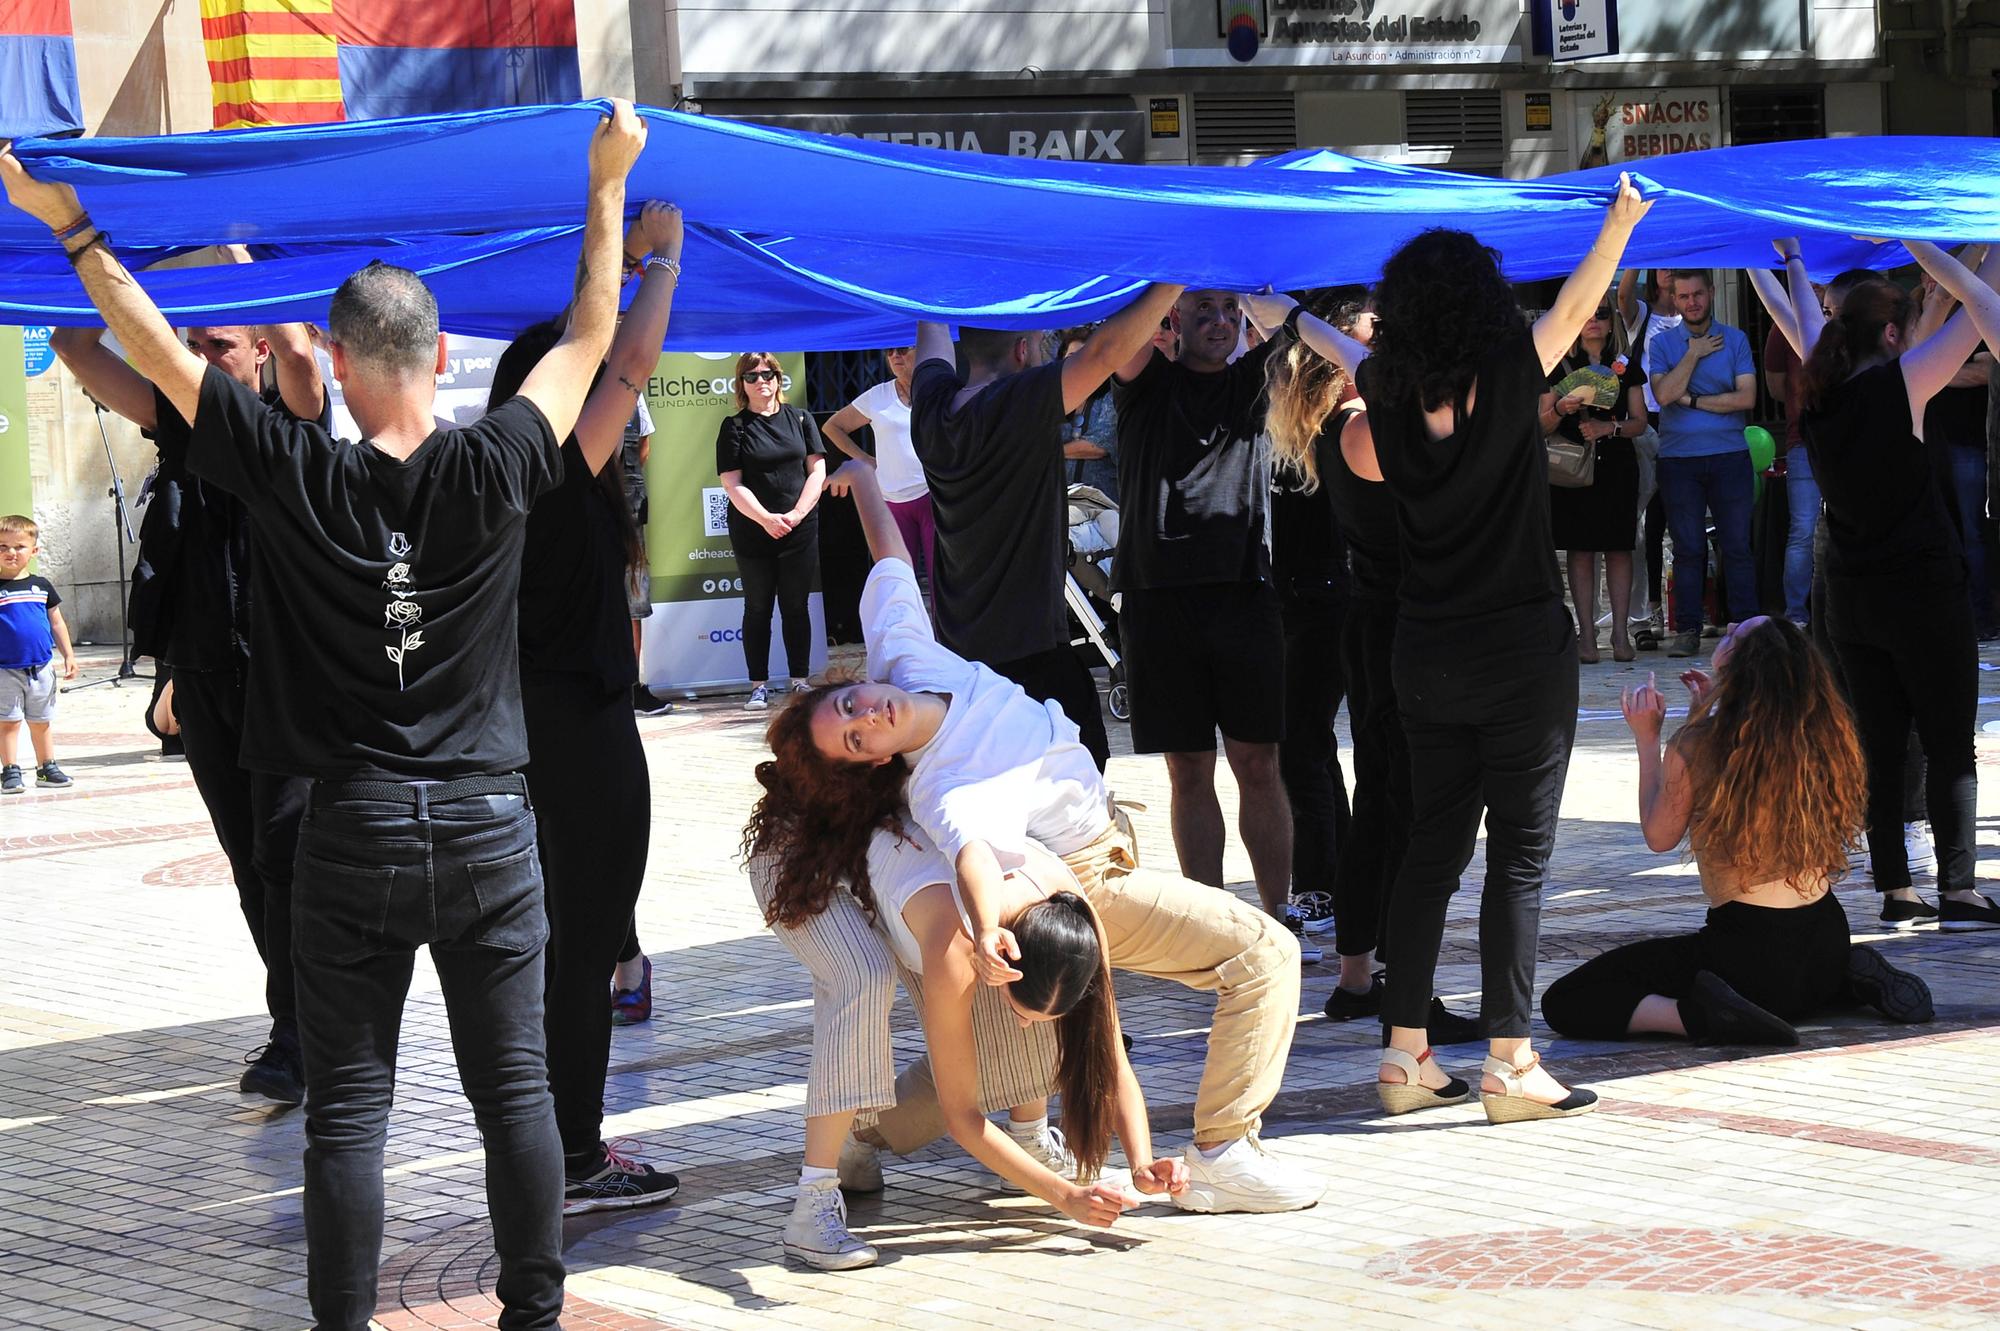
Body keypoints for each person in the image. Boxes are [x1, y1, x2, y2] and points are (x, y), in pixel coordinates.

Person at [3, 102, 649, 1329]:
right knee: (513, 1091)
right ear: (436, 347)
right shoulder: (501, 458)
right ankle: (533, 1314)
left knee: (351, 1107)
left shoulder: (299, 468)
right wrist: (606, 184)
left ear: (342, 366)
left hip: (347, 829)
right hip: (485, 831)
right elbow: (591, 332)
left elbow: (161, 354)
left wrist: (73, 226)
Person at [785, 461, 1320, 1212]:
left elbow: (892, 561)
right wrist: (985, 927)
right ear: (873, 763)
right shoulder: (943, 783)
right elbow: (971, 852)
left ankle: (866, 1129)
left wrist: (864, 478)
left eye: (850, 704)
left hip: (1102, 846)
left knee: (998, 1063)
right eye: (855, 738)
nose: (867, 716)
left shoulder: (905, 654)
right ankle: (1225, 1146)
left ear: (854, 679)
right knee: (1265, 951)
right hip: (1083, 879)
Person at [1249, 172, 1652, 1123]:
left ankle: (1404, 1059)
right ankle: (1512, 1061)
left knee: (1431, 848)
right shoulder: (1512, 374)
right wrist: (1620, 225)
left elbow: (1345, 346)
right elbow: (1579, 303)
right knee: (1517, 854)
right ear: (1478, 304)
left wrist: (1290, 315)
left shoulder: (1380, 394)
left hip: (1422, 651)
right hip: (1518, 644)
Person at [51, 307, 325, 1105]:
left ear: (262, 351)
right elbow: (73, 346)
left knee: (285, 853)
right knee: (249, 862)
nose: (199, 360)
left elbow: (306, 360)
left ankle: (300, 1034)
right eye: (191, 346)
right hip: (206, 676)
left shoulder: (293, 420)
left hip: (287, 678)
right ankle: (301, 1024)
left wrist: (246, 245)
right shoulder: (179, 419)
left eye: (219, 347)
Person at [488, 199, 685, 1216]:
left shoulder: (496, 476)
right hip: (580, 737)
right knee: (585, 949)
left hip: (528, 735)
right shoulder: (554, 466)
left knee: (559, 948)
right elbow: (626, 358)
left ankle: (545, 1146)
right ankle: (570, 1152)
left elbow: (592, 345)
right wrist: (661, 261)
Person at [1543, 617, 1934, 1042]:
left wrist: (1647, 738)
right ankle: (1844, 978)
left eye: (1733, 634)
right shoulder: (1823, 737)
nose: (1726, 625)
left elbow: (1659, 836)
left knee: (1569, 1000)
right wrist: (1700, 715)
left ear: (1742, 668)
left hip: (1749, 958)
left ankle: (1705, 1017)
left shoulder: (1698, 745)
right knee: (1792, 977)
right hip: (1827, 936)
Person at [1264, 298, 1482, 1040]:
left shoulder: (1349, 422)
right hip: (1394, 628)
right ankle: (1388, 983)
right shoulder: (1362, 427)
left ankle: (1363, 976)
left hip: (1380, 621)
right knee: (1403, 808)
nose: (1389, 340)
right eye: (1373, 336)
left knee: (1385, 802)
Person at [1787, 236, 2000, 933]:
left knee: (1880, 744)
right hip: (1922, 595)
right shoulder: (1900, 384)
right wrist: (1972, 244)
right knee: (1948, 742)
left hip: (1853, 600)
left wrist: (1788, 260)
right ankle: (1960, 888)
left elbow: (1807, 318)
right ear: (1889, 332)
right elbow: (1976, 308)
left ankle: (1896, 889)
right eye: (1908, 327)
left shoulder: (1818, 395)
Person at [906, 285, 1184, 773]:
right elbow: (1103, 352)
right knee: (1078, 795)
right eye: (1039, 346)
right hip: (1030, 653)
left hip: (962, 659)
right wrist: (1175, 276)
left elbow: (926, 318)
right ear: (1020, 352)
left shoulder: (929, 410)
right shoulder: (1019, 401)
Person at [1107, 290, 1295, 937]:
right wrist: (1177, 265)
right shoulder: (1145, 383)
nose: (1218, 322)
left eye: (1228, 312)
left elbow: (1297, 322)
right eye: (1203, 310)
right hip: (1159, 603)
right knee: (1189, 771)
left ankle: (1278, 914)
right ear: (1175, 322)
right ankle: (1210, 923)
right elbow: (1121, 336)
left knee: (1259, 763)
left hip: (1244, 595)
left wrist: (1246, 283)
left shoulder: (1252, 381)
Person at [1648, 270, 1759, 657]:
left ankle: (1746, 630)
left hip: (1730, 455)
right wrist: (1693, 354)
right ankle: (1688, 630)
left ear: (1711, 293)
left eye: (1697, 293)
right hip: (1679, 460)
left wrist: (1693, 400)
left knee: (1738, 546)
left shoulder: (1737, 340)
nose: (1692, 301)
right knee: (1688, 548)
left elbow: (1746, 399)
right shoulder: (1662, 344)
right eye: (1683, 296)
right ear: (1674, 299)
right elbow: (1663, 394)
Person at [1538, 299, 1648, 663]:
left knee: (1619, 547)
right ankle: (1586, 635)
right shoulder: (1557, 364)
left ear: (1612, 320)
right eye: (1586, 314)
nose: (1594, 321)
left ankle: (1620, 632)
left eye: (1601, 314)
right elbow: (1540, 424)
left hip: (1616, 464)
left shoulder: (1625, 365)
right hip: (1571, 469)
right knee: (1580, 551)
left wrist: (1609, 427)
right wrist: (1560, 408)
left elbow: (1640, 422)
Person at [717, 352, 824, 710]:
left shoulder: (801, 418)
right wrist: (765, 518)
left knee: (796, 604)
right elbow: (732, 484)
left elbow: (818, 472)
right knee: (758, 606)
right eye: (752, 376)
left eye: (768, 373)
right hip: (753, 531)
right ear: (741, 384)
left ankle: (799, 680)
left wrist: (795, 514)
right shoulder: (734, 427)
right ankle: (758, 685)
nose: (761, 381)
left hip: (799, 528)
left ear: (779, 378)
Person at [822, 345, 934, 590]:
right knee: (897, 582)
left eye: (903, 349)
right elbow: (833, 427)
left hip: (934, 498)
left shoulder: (938, 391)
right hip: (892, 502)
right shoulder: (877, 396)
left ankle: (943, 630)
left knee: (943, 582)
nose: (895, 356)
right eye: (889, 351)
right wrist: (864, 459)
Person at [0, 514, 76, 792]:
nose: (10, 552)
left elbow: (56, 621)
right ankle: (10, 770)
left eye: (19, 546)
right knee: (8, 722)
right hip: (4, 669)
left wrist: (68, 655)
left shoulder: (41, 585)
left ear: (34, 551)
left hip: (41, 668)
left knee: (41, 721)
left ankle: (46, 767)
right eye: (2, 546)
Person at [1059, 327, 1121, 501]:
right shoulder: (1052, 401)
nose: (1077, 365)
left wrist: (1050, 450)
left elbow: (1098, 447)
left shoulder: (1111, 397)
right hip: (1057, 504)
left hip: (1102, 505)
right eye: (1071, 358)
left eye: (1084, 358)